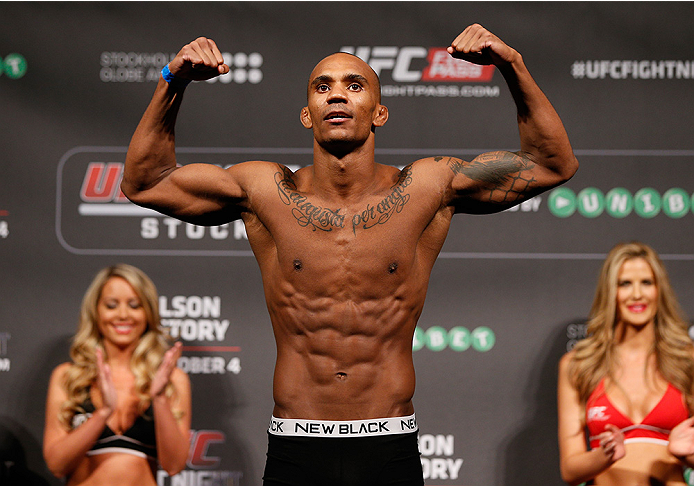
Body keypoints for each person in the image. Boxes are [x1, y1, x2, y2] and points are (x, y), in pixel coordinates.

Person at [122, 24, 578, 485]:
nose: (336, 96)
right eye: (323, 87)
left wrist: (512, 65)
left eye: (353, 86)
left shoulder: (426, 187)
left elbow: (552, 163)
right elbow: (145, 182)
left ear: (379, 112)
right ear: (307, 114)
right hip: (296, 443)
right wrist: (171, 81)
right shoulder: (264, 190)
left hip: (389, 444)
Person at [558, 242, 694, 485]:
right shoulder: (579, 364)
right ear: (610, 292)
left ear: (659, 289)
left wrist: (687, 455)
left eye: (646, 283)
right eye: (625, 284)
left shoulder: (687, 359)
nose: (637, 294)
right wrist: (604, 455)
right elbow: (570, 470)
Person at [43, 264, 191, 486]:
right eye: (111, 305)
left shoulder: (172, 380)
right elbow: (57, 465)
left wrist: (159, 398)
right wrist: (103, 413)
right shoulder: (68, 377)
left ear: (148, 312)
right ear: (96, 311)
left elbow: (174, 466)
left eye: (135, 305)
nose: (123, 315)